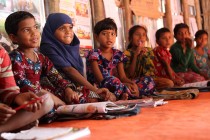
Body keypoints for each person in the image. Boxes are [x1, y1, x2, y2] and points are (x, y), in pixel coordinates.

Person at [40, 13, 115, 101]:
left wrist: (93, 90)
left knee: (107, 97)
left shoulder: (72, 47)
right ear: (51, 31)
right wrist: (95, 90)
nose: (68, 31)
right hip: (58, 88)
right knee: (93, 99)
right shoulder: (48, 47)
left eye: (70, 27)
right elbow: (69, 70)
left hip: (74, 86)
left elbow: (78, 75)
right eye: (62, 28)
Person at [0, 45, 54, 133]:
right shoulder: (16, 57)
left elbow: (7, 90)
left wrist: (18, 97)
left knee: (46, 101)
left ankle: (7, 128)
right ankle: (12, 127)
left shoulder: (1, 52)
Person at [86, 18, 141, 100]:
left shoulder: (118, 54)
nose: (109, 37)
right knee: (113, 81)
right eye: (104, 34)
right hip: (99, 87)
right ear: (96, 37)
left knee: (145, 81)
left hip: (116, 85)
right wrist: (122, 85)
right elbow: (100, 79)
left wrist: (133, 84)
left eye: (112, 34)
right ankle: (117, 96)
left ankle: (124, 94)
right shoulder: (94, 54)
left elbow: (123, 77)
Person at [124, 25, 174, 90]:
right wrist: (136, 55)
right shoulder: (126, 53)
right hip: (136, 81)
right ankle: (146, 90)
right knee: (134, 86)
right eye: (137, 34)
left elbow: (152, 71)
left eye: (144, 35)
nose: (141, 37)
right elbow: (130, 74)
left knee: (169, 83)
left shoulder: (149, 51)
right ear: (130, 38)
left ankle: (147, 90)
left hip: (151, 79)